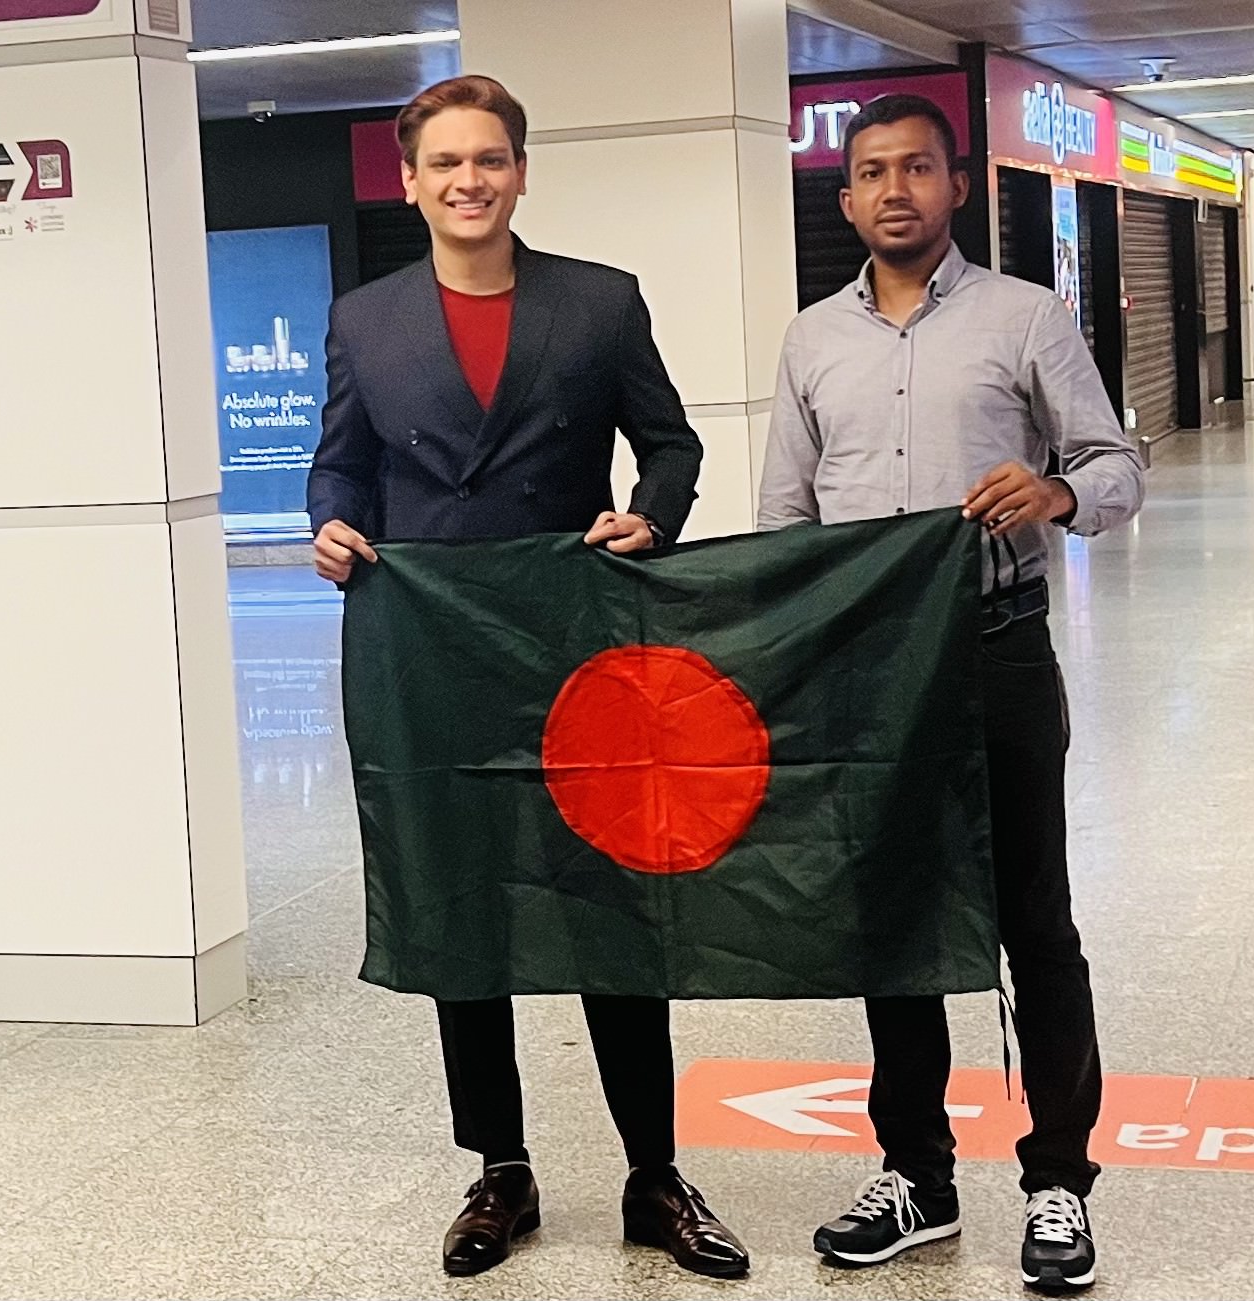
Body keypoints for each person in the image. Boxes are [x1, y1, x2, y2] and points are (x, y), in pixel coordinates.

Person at [307, 74, 748, 1282]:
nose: (469, 181)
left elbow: (671, 443)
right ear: (409, 182)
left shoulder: (598, 302)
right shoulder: (365, 320)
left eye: (489, 159)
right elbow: (339, 465)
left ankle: (654, 1170)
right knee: (463, 907)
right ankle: (500, 1168)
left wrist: (650, 515)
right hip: (433, 655)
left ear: (519, 171)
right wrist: (329, 522)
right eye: (445, 163)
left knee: (613, 900)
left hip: (577, 648)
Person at [757, 93, 1146, 1294]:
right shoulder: (810, 339)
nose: (895, 189)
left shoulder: (1024, 316)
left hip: (995, 650)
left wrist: (1056, 493)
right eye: (872, 172)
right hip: (866, 671)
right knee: (893, 919)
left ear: (956, 186)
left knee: (1035, 919)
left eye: (917, 168)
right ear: (844, 199)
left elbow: (1115, 463)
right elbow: (784, 517)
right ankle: (915, 1175)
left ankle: (1058, 1179)